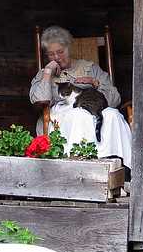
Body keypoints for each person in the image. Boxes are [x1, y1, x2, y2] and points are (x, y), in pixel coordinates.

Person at [29, 25, 132, 172]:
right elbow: (40, 100)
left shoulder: (90, 68)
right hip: (62, 115)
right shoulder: (44, 74)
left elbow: (115, 99)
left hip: (94, 106)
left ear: (69, 49)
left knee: (113, 115)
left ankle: (121, 170)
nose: (56, 57)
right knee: (79, 115)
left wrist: (94, 83)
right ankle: (80, 169)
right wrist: (48, 72)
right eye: (51, 54)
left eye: (60, 51)